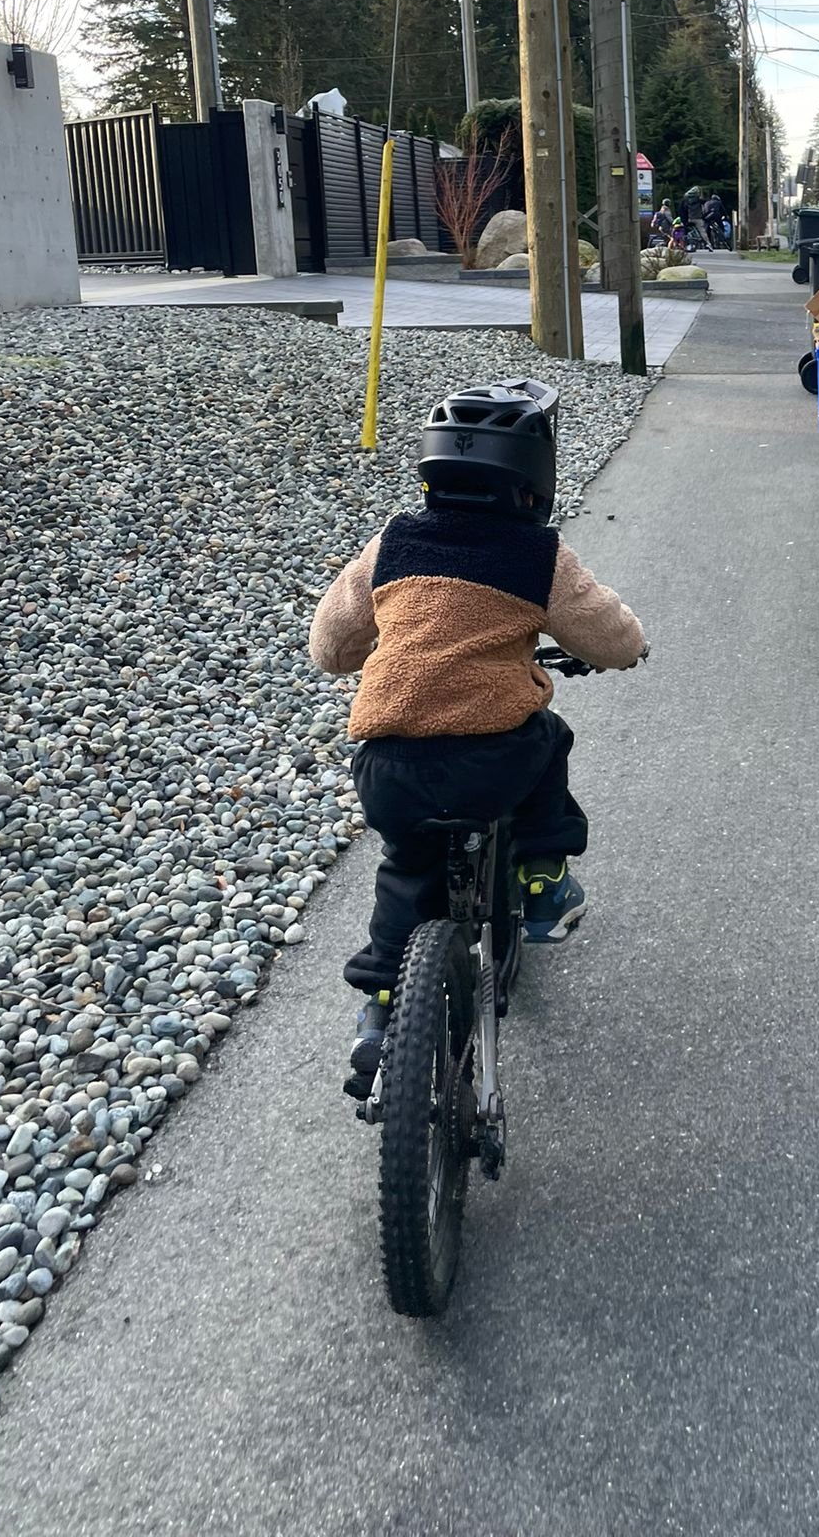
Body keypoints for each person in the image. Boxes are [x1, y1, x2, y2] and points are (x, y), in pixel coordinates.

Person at [308, 377, 647, 1098]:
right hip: (490, 760)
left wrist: (364, 658)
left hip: (389, 764)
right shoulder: (537, 556)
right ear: (534, 479)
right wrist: (632, 645)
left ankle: (380, 1009)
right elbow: (607, 635)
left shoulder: (393, 544)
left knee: (407, 868)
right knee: (546, 739)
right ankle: (544, 876)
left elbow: (332, 642)